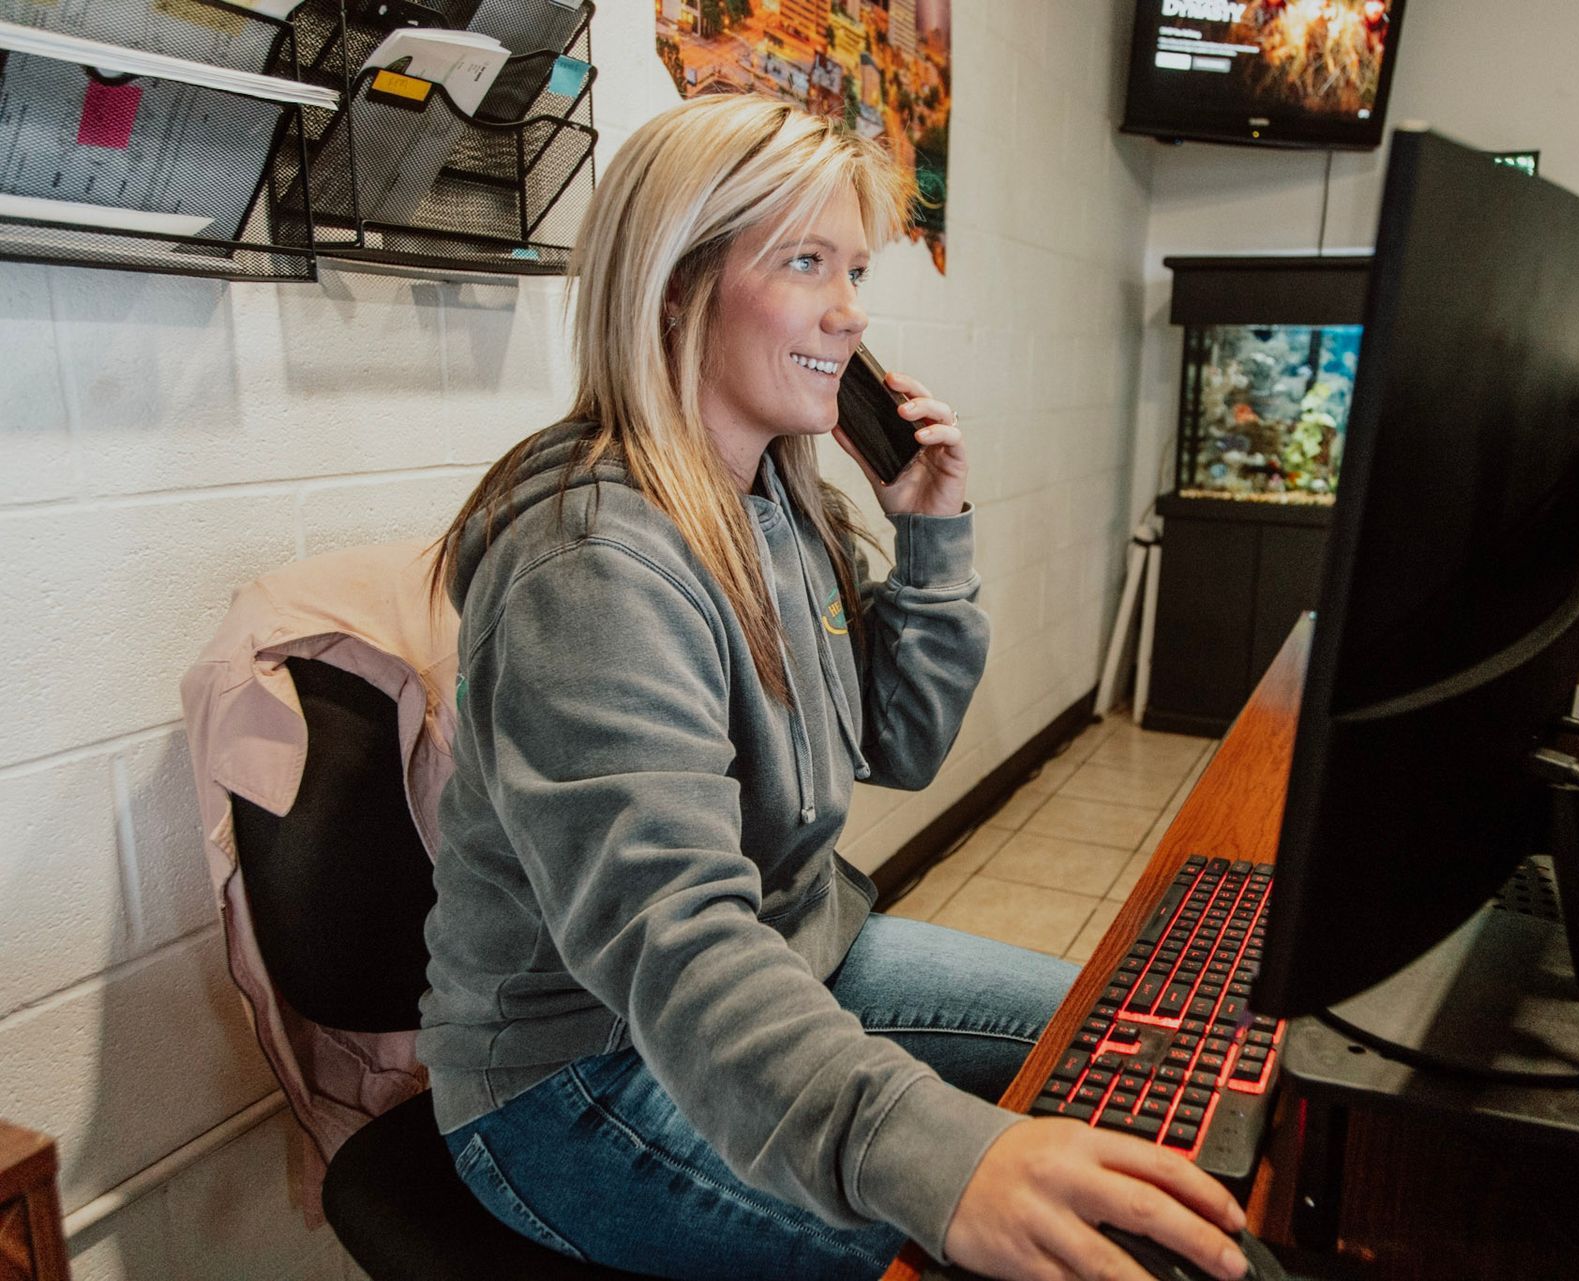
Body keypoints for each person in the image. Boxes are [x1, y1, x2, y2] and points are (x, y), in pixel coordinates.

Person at [416, 91, 1251, 1281]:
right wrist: (941, 1158)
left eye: (854, 270)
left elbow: (903, 742)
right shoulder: (592, 569)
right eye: (807, 262)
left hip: (796, 957)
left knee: (1142, 1052)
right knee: (1012, 1250)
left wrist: (931, 531)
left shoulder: (782, 505)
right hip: (581, 1079)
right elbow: (679, 945)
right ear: (673, 287)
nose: (851, 316)